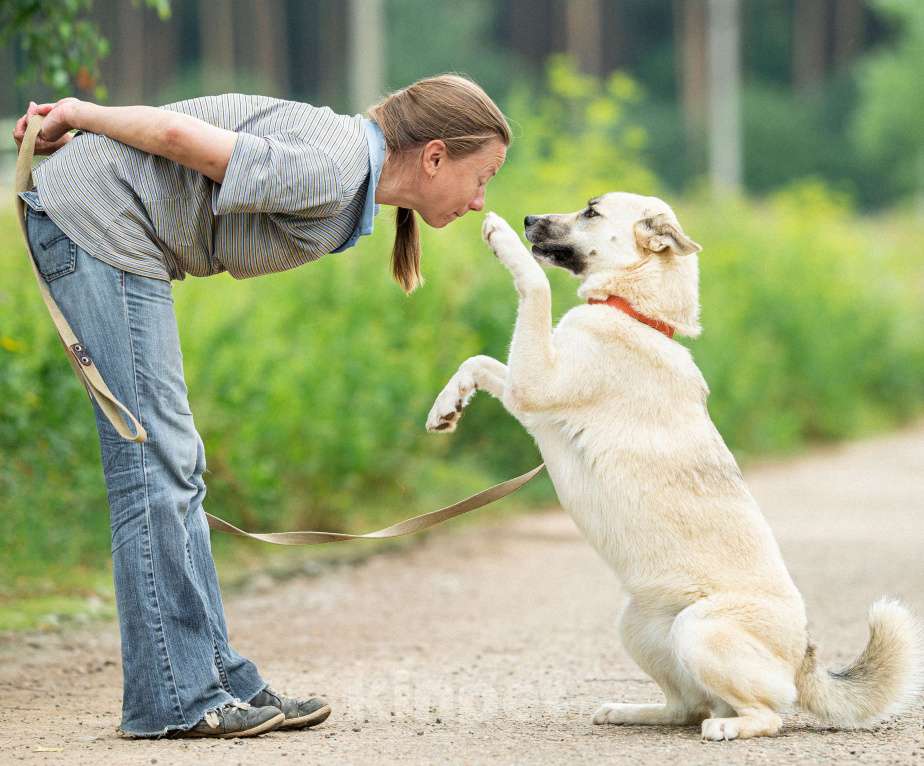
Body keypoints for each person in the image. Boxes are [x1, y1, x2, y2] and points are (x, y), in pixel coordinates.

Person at [12, 74, 511, 740]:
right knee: (153, 465)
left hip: (108, 226)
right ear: (435, 155)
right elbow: (172, 135)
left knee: (172, 463)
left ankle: (218, 679)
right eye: (483, 178)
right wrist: (79, 114)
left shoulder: (346, 175)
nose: (481, 201)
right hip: (98, 223)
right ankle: (176, 699)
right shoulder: (336, 168)